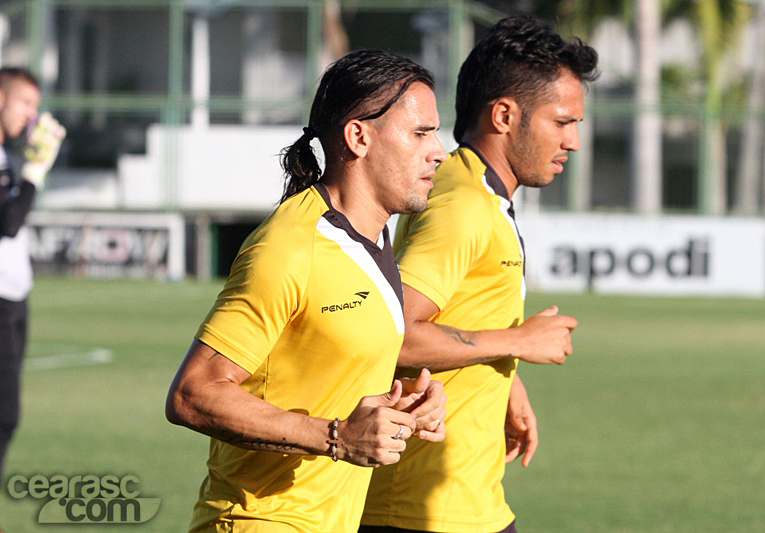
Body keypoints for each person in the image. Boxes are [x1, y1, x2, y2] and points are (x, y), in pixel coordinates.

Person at [165, 49, 449, 533]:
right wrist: (337, 438)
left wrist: (403, 411)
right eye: (421, 133)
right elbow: (193, 394)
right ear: (359, 137)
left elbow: (328, 373)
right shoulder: (289, 247)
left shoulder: (377, 236)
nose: (439, 149)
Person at [360, 16, 598, 533]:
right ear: (506, 114)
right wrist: (517, 341)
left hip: (464, 501)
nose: (573, 141)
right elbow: (393, 337)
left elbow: (455, 310)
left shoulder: (472, 189)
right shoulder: (465, 204)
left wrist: (507, 381)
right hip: (423, 512)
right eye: (561, 122)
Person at [0, 67, 65, 482]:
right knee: (3, 415)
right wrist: (35, 171)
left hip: (13, 297)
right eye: (24, 103)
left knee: (7, 417)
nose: (32, 115)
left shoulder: (6, 154)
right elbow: (8, 222)